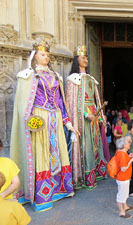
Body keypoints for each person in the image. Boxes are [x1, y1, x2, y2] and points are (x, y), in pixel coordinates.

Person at [10, 41, 77, 212]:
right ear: (34, 57)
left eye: (48, 55)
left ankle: (59, 190)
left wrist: (67, 123)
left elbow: (61, 102)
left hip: (55, 117)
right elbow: (24, 104)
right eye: (42, 54)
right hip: (39, 119)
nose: (46, 57)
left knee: (58, 152)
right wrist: (30, 120)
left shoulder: (56, 77)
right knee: (40, 153)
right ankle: (42, 196)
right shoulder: (27, 76)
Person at [66, 45, 109, 189]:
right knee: (87, 147)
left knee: (96, 145)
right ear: (76, 59)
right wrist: (85, 114)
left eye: (87, 57)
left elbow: (96, 99)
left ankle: (97, 172)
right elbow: (71, 104)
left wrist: (100, 116)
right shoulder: (73, 79)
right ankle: (85, 177)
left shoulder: (91, 79)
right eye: (83, 57)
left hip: (94, 116)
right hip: (83, 120)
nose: (86, 59)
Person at [115, 137, 133, 219]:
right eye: (128, 143)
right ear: (124, 145)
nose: (129, 144)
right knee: (121, 195)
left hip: (123, 177)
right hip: (122, 178)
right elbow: (123, 168)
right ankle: (121, 212)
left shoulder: (120, 152)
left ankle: (125, 207)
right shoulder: (122, 154)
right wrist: (131, 160)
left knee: (124, 193)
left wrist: (129, 157)